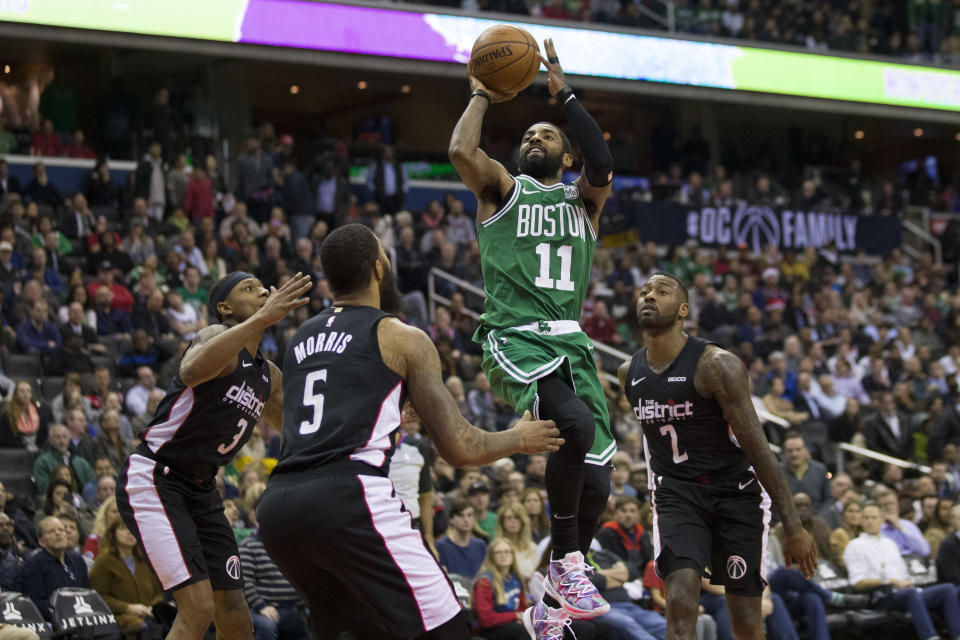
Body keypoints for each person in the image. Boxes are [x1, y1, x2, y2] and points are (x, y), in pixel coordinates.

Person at [257, 224, 562, 640]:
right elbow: (460, 447)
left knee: (352, 630)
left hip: (280, 508)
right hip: (348, 499)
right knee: (450, 630)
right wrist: (519, 438)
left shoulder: (299, 338)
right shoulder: (401, 336)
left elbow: (296, 421)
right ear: (379, 268)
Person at [448, 39, 615, 637]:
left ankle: (548, 602)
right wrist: (480, 94)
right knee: (571, 426)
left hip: (571, 344)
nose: (533, 140)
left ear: (566, 157)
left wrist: (563, 96)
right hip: (515, 337)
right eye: (528, 137)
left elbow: (602, 163)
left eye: (547, 136)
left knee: (598, 476)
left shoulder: (585, 203)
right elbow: (460, 149)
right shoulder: (502, 188)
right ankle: (568, 564)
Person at [619, 272, 817, 640]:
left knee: (745, 624)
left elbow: (758, 448)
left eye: (661, 291)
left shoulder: (717, 365)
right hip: (677, 494)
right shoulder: (628, 373)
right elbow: (653, 446)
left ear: (683, 310)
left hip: (735, 493)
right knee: (679, 606)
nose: (648, 296)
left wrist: (792, 525)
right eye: (643, 291)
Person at [115, 271, 311, 640]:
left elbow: (302, 431)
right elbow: (190, 370)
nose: (263, 291)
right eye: (248, 288)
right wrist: (262, 318)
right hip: (157, 477)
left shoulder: (268, 375)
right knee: (198, 607)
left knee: (235, 611)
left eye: (263, 288)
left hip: (202, 490)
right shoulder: (215, 336)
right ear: (225, 307)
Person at [844, 503, 960, 640]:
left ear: (881, 520)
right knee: (910, 594)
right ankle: (930, 637)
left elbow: (905, 572)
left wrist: (907, 581)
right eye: (866, 518)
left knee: (948, 589)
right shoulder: (854, 546)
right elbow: (858, 583)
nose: (870, 521)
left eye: (874, 517)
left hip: (906, 593)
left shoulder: (890, 544)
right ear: (861, 521)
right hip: (881, 598)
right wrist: (889, 582)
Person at [88, 518, 163, 634]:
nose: (129, 532)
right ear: (112, 534)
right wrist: (127, 608)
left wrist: (153, 607)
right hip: (119, 617)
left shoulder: (145, 559)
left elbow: (158, 593)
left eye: (133, 528)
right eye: (123, 528)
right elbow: (98, 596)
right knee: (145, 628)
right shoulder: (104, 561)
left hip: (150, 614)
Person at [20, 516, 88, 619]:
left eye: (61, 530)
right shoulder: (33, 564)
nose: (58, 533)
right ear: (41, 541)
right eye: (51, 531)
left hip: (83, 613)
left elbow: (87, 591)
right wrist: (65, 612)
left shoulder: (78, 560)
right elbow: (36, 602)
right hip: (53, 619)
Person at [472, 539, 529, 640]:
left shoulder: (517, 578)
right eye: (498, 552)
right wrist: (515, 616)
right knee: (521, 630)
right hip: (489, 630)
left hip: (511, 624)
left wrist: (522, 617)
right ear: (491, 557)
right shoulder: (485, 581)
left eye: (507, 551)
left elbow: (523, 608)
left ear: (512, 555)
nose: (503, 555)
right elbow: (486, 619)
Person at [437, 500, 487, 579]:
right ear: (451, 519)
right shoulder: (440, 546)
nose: (466, 520)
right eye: (461, 515)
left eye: (469, 515)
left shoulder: (480, 545)